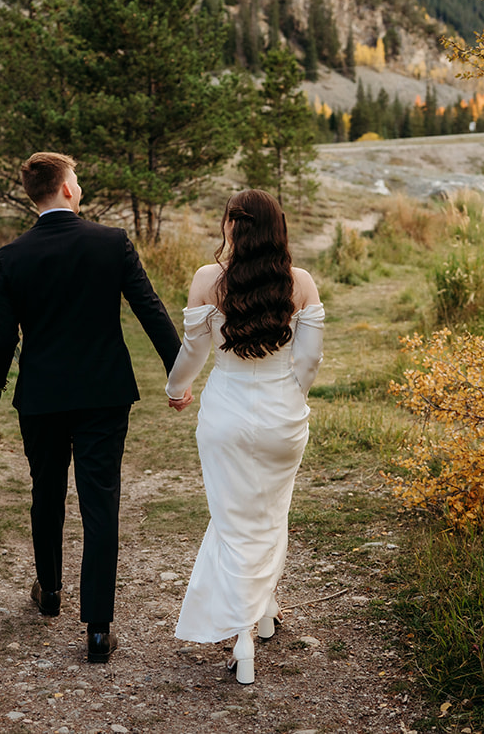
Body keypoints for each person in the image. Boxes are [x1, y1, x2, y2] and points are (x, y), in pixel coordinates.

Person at [0, 152, 181, 663]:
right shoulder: (110, 243)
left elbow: (1, 335)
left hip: (42, 397)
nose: (81, 185)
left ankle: (49, 592)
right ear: (67, 190)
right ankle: (97, 627)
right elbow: (150, 308)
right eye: (78, 180)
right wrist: (178, 376)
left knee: (46, 490)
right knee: (100, 501)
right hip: (103, 394)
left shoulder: (13, 256)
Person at [163, 189, 324, 685]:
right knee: (271, 512)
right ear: (279, 228)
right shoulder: (300, 284)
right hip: (282, 418)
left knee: (233, 521)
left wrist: (176, 388)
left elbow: (193, 352)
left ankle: (243, 638)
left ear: (231, 226)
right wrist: (289, 396)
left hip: (225, 416)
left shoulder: (207, 281)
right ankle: (264, 610)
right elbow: (309, 361)